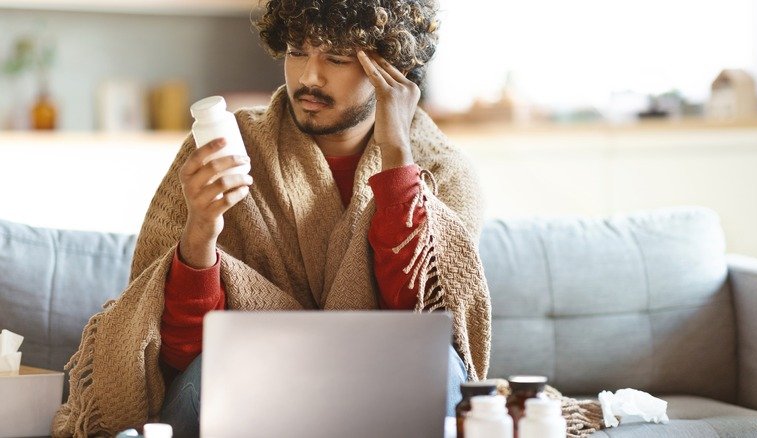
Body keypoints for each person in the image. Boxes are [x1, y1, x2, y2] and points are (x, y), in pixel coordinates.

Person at [52, 1, 491, 437]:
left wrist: (397, 162)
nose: (308, 77)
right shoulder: (224, 149)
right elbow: (180, 355)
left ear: (391, 69)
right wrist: (200, 234)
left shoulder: (445, 174)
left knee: (439, 364)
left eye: (336, 58)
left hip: (389, 390)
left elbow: (427, 323)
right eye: (298, 51)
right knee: (206, 372)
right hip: (244, 390)